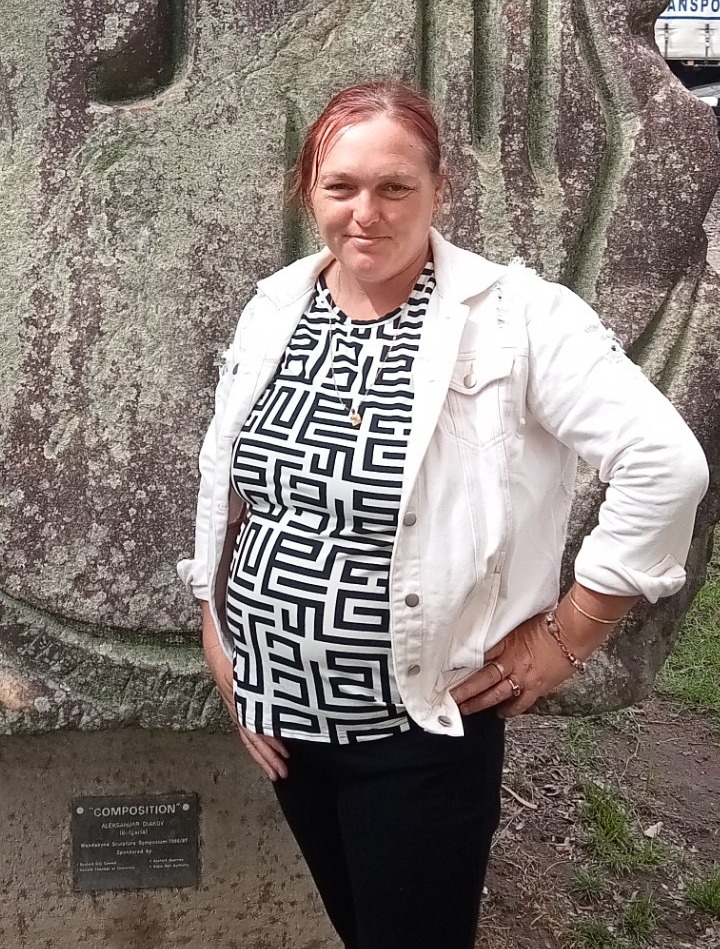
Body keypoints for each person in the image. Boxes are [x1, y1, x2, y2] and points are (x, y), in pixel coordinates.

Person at [177, 81, 708, 949]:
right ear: (308, 188)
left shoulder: (518, 318)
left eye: (395, 188)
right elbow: (229, 478)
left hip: (419, 733)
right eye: (340, 186)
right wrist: (216, 621)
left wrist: (574, 629)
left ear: (439, 190)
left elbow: (666, 463)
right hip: (282, 724)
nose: (366, 214)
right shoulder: (278, 305)